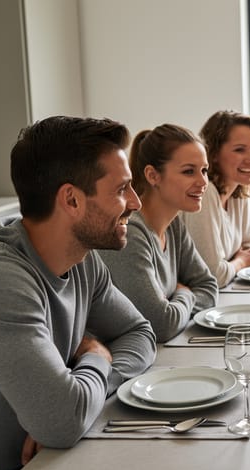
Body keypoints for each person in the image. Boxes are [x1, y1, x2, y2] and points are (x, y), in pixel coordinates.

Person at [0, 116, 157, 470]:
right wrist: (95, 356)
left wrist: (82, 395)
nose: (136, 202)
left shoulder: (83, 260)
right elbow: (63, 422)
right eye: (121, 189)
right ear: (71, 200)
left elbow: (140, 332)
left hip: (48, 463)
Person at [99, 124, 218, 342]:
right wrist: (185, 293)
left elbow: (209, 288)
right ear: (153, 176)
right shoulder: (131, 233)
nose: (203, 182)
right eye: (188, 171)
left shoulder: (174, 225)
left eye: (204, 170)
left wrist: (174, 302)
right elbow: (162, 325)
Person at [180, 110, 250, 287]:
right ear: (213, 153)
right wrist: (240, 262)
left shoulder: (238, 190)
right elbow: (213, 276)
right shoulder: (204, 194)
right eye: (239, 150)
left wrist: (230, 264)